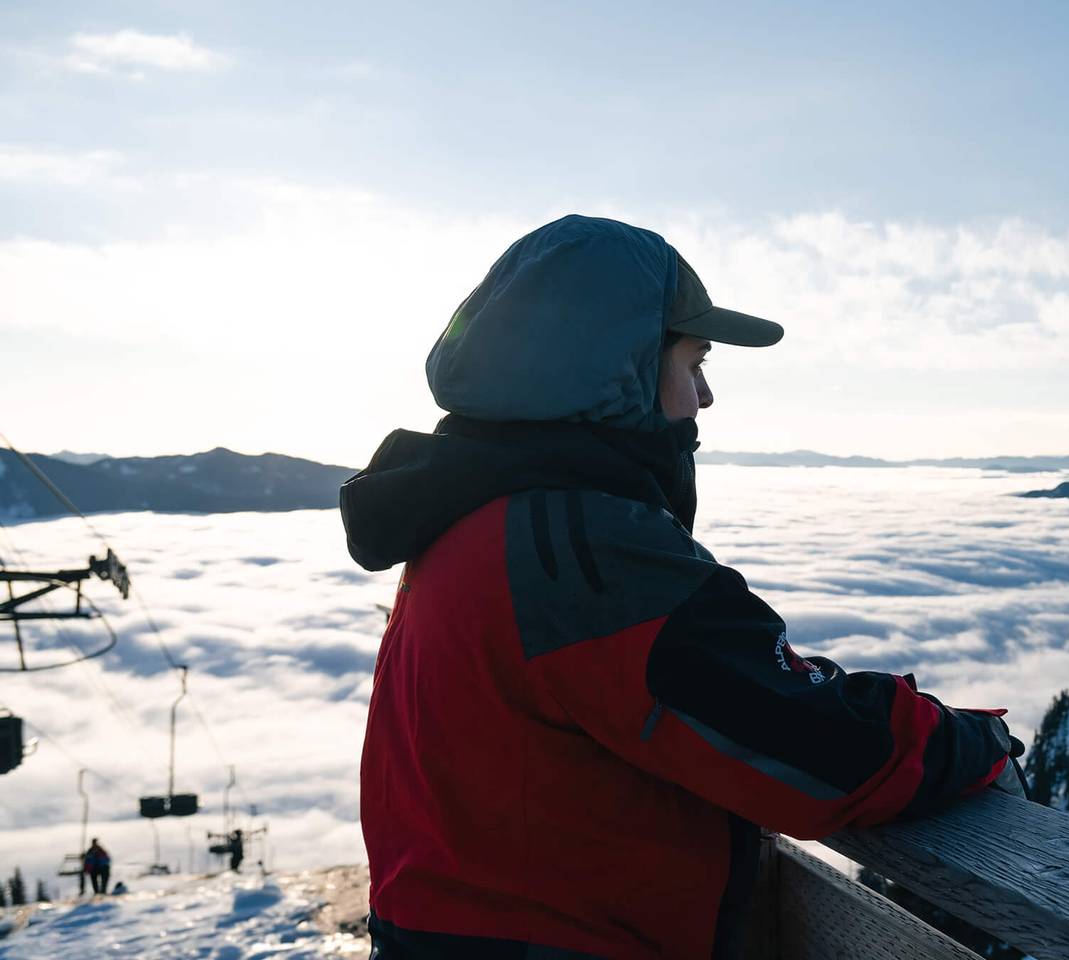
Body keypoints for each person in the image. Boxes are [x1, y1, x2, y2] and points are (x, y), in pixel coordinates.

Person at [341, 215, 1020, 960]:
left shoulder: (471, 519)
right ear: (618, 366)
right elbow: (818, 755)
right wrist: (972, 736)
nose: (704, 395)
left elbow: (710, 690)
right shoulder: (581, 549)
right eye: (694, 360)